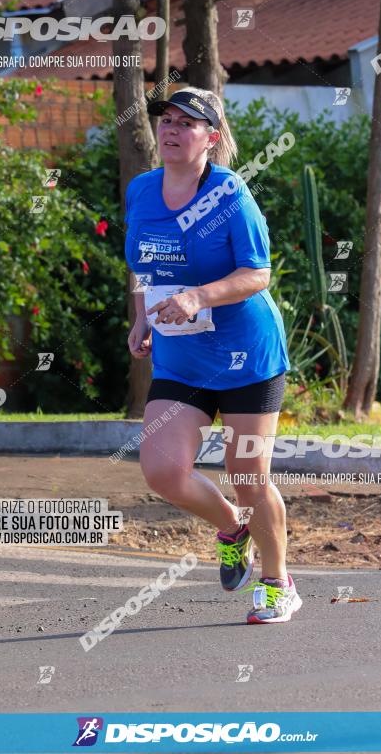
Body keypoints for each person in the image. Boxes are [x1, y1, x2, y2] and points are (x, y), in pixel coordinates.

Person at [123, 86, 302, 624]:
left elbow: (258, 272)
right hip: (182, 356)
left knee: (248, 475)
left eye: (187, 123)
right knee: (162, 470)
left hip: (247, 354)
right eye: (166, 120)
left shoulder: (230, 194)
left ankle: (277, 583)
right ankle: (232, 527)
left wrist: (198, 295)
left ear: (211, 139)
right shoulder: (141, 190)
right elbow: (144, 262)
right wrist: (140, 315)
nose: (171, 129)